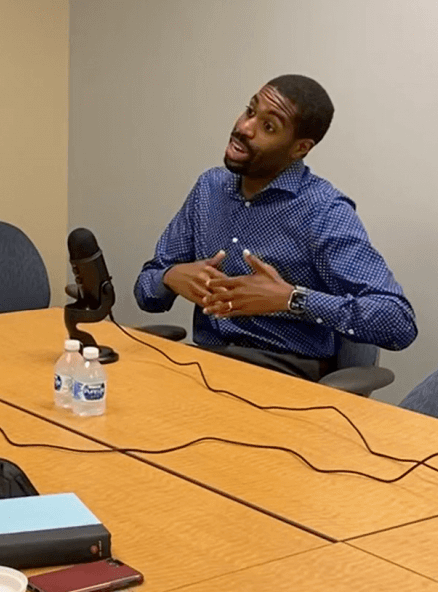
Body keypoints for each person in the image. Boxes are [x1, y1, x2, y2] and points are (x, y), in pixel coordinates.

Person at [133, 74, 416, 381]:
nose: (244, 127)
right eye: (250, 111)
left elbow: (398, 321)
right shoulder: (209, 189)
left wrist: (291, 299)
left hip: (284, 375)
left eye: (268, 126)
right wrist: (171, 277)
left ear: (299, 148)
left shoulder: (322, 210)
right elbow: (146, 291)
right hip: (207, 364)